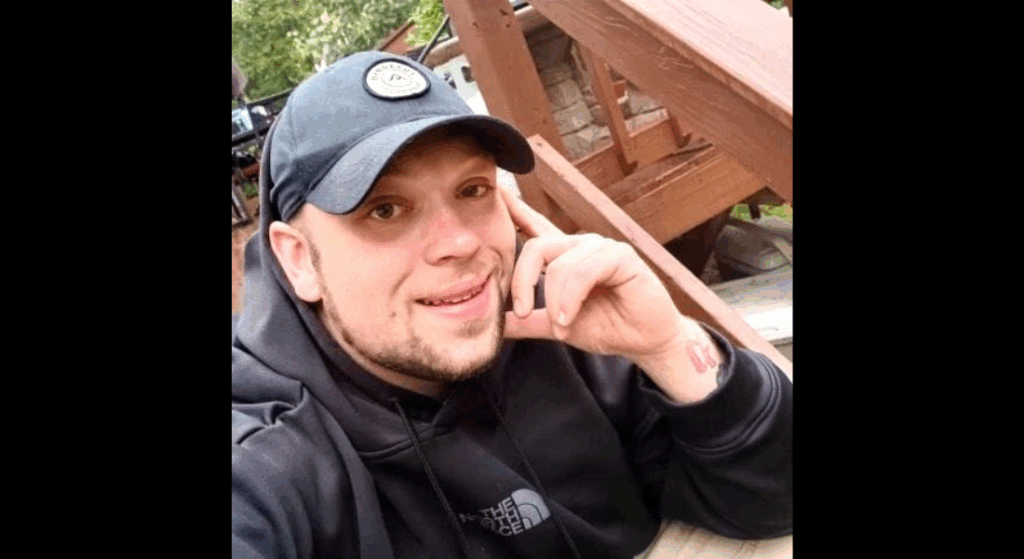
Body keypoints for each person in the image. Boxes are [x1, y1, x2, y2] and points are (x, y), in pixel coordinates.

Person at [232, 50, 792, 559]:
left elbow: (772, 499)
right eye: (384, 209)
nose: (459, 243)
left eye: (472, 190)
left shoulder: (562, 322)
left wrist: (667, 347)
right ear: (299, 260)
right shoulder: (268, 448)